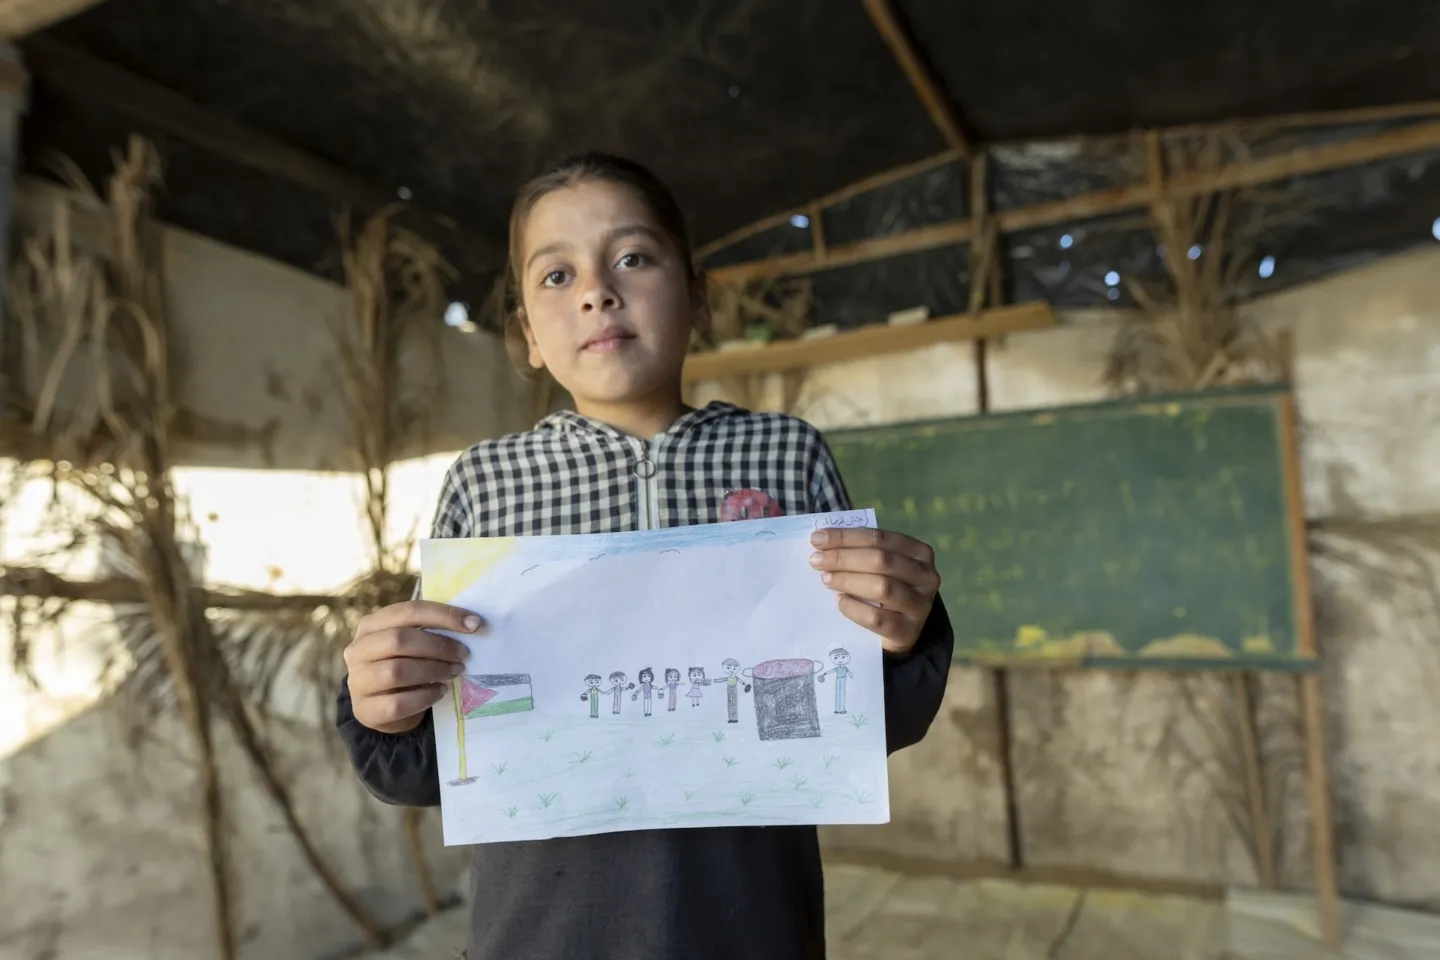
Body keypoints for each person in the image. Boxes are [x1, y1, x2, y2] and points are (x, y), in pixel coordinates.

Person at [335, 152, 954, 960]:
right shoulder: (486, 483)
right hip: (543, 926)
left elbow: (847, 715)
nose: (597, 290)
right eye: (555, 276)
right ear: (526, 333)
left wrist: (900, 634)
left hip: (746, 916)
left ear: (698, 297)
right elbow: (442, 752)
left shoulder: (784, 454)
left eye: (633, 257)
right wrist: (384, 706)